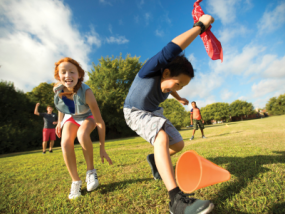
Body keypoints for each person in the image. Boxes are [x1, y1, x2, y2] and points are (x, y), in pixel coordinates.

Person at [123, 15, 215, 214]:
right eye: (178, 83)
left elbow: (169, 87)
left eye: (182, 85)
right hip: (134, 111)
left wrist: (179, 96)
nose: (178, 87)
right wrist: (200, 26)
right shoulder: (149, 70)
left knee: (178, 144)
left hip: (153, 112)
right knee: (161, 137)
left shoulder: (168, 83)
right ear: (165, 73)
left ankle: (155, 160)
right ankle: (176, 200)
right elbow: (172, 49)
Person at [53, 57, 113, 199]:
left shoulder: (87, 93)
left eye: (72, 72)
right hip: (72, 116)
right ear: (58, 76)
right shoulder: (58, 89)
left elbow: (100, 122)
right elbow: (62, 106)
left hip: (88, 117)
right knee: (65, 142)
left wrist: (102, 147)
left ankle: (91, 172)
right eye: (63, 72)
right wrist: (60, 122)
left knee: (82, 134)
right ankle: (75, 181)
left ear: (79, 75)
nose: (68, 75)